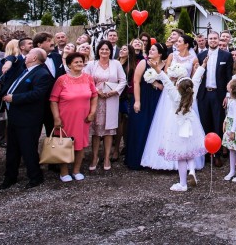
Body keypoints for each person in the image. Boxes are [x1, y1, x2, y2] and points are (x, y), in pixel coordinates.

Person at [141, 34, 205, 171]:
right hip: (171, 93)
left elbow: (194, 78)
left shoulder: (193, 59)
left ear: (186, 44)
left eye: (180, 41)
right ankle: (166, 161)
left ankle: (185, 158)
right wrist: (173, 77)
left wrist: (192, 73)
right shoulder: (172, 56)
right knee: (167, 123)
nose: (177, 43)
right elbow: (165, 73)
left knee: (185, 123)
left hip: (185, 93)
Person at [0, 48, 52, 190]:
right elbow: (12, 58)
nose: (26, 56)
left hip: (28, 117)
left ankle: (35, 177)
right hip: (15, 115)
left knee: (28, 148)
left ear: (34, 58)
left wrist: (14, 98)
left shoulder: (42, 74)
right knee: (12, 149)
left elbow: (37, 94)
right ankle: (10, 177)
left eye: (29, 54)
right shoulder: (24, 70)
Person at [157, 60, 207, 191]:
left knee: (181, 155)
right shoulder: (192, 93)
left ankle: (183, 184)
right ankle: (192, 171)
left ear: (178, 87)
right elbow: (196, 79)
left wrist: (157, 69)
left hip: (177, 124)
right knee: (189, 150)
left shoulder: (175, 95)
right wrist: (203, 66)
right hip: (191, 123)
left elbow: (166, 82)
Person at [50, 52, 98, 182]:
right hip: (66, 118)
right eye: (76, 62)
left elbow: (94, 96)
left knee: (80, 144)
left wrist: (92, 112)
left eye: (81, 61)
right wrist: (56, 117)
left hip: (83, 118)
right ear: (69, 64)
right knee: (65, 144)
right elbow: (53, 100)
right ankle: (64, 172)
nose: (79, 64)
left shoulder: (88, 78)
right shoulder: (61, 80)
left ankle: (76, 170)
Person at [85, 40, 126, 171]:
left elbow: (123, 80)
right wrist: (97, 91)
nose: (104, 51)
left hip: (111, 98)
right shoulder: (92, 64)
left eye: (107, 49)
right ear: (98, 50)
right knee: (96, 131)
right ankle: (94, 157)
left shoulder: (116, 64)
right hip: (96, 99)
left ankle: (107, 157)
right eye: (102, 49)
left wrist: (115, 91)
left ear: (110, 51)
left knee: (109, 130)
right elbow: (86, 80)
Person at [125, 42, 165, 170]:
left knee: (155, 128)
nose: (150, 51)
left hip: (158, 100)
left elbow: (168, 83)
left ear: (160, 53)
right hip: (143, 97)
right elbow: (136, 81)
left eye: (153, 50)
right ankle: (136, 159)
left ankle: (152, 160)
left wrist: (159, 85)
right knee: (140, 126)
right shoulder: (144, 62)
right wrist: (137, 101)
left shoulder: (165, 65)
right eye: (150, 49)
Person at [197, 31, 234, 167]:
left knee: (218, 123)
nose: (213, 40)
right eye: (210, 38)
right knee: (204, 122)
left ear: (219, 40)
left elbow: (229, 77)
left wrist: (228, 95)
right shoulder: (200, 56)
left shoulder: (226, 56)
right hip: (204, 94)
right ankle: (207, 153)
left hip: (218, 94)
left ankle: (217, 154)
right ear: (207, 40)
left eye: (215, 38)